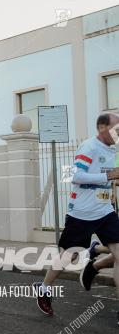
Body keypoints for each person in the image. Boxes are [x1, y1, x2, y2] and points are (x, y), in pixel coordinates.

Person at [37, 112, 119, 320]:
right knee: (69, 256)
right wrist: (108, 175)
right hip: (82, 213)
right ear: (102, 128)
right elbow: (73, 176)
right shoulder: (88, 147)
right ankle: (44, 289)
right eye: (116, 129)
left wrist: (112, 186)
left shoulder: (113, 149)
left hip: (105, 210)